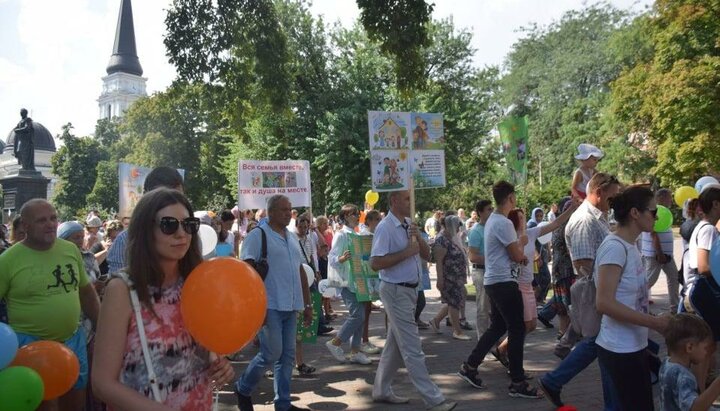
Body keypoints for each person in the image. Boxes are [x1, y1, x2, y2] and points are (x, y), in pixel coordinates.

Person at [92, 188, 234, 410]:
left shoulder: (197, 282)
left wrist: (218, 363)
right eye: (169, 225)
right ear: (146, 230)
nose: (181, 234)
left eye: (189, 225)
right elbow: (102, 384)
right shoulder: (123, 289)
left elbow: (201, 346)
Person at [0, 199, 101, 411]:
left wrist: (101, 326)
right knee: (45, 403)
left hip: (74, 339)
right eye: (41, 220)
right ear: (25, 226)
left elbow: (86, 292)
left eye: (54, 218)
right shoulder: (8, 260)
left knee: (77, 399)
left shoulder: (70, 250)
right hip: (31, 346)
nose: (50, 224)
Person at [539, 173, 621, 409]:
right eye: (612, 197)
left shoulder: (598, 216)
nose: (614, 203)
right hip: (596, 290)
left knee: (602, 343)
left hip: (601, 288)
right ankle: (554, 380)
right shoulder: (585, 220)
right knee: (600, 342)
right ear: (598, 193)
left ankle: (555, 381)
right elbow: (583, 263)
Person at [371, 190, 457, 411]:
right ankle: (433, 399)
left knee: (395, 346)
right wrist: (406, 252)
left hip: (410, 291)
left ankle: (381, 389)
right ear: (394, 201)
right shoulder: (385, 227)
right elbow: (376, 263)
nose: (411, 202)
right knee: (412, 347)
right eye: (407, 198)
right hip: (394, 290)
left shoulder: (409, 224)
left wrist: (418, 238)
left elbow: (428, 255)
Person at [457, 181, 542, 399]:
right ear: (511, 198)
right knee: (517, 329)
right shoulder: (503, 223)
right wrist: (522, 246)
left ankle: (470, 365)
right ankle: (517, 381)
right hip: (504, 282)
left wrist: (518, 250)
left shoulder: (493, 220)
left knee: (497, 327)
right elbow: (516, 255)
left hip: (494, 281)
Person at [234, 194, 313, 411]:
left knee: (287, 357)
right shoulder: (258, 235)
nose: (289, 213)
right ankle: (243, 386)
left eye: (290, 210)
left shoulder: (292, 237)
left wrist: (307, 305)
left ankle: (283, 403)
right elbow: (247, 272)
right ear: (271, 212)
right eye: (283, 210)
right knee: (271, 353)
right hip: (269, 306)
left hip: (292, 305)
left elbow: (301, 272)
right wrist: (255, 308)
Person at [594, 185, 670, 410]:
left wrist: (653, 316)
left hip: (634, 346)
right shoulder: (614, 248)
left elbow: (630, 299)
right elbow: (604, 303)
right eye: (653, 212)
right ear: (635, 213)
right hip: (618, 351)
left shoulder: (631, 245)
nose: (657, 218)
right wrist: (654, 323)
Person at [494, 202, 579, 367]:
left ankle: (502, 349)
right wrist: (521, 244)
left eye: (523, 217)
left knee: (531, 325)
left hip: (528, 285)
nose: (523, 220)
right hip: (516, 285)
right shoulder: (511, 238)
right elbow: (512, 259)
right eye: (520, 218)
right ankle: (508, 355)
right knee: (523, 325)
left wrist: (570, 209)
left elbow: (554, 224)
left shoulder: (531, 233)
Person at [107, 166, 185, 274]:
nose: (174, 204)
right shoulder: (125, 241)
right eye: (165, 199)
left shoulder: (189, 236)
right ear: (147, 198)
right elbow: (117, 283)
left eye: (179, 197)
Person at [325, 204, 373, 365]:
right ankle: (335, 342)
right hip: (347, 282)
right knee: (357, 315)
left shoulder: (356, 233)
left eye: (357, 213)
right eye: (353, 214)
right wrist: (341, 259)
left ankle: (355, 351)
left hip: (359, 280)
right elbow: (331, 257)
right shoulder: (341, 235)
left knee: (361, 316)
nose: (357, 217)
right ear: (345, 217)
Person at [660, 313, 720, 411]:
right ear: (690, 347)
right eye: (705, 348)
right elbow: (695, 408)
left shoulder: (666, 363)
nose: (706, 353)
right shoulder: (684, 377)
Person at [429, 215, 471, 340]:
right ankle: (457, 331)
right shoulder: (441, 240)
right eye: (457, 226)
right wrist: (440, 279)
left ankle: (436, 320)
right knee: (454, 303)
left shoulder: (452, 238)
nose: (458, 229)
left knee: (454, 301)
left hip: (457, 277)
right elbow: (439, 262)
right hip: (449, 277)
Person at [537, 197, 575, 335]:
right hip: (566, 270)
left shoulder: (560, 225)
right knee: (567, 305)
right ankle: (565, 336)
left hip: (560, 270)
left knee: (562, 304)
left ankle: (563, 333)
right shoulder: (567, 226)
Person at [640, 188, 680, 312]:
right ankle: (636, 304)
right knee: (649, 280)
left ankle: (675, 308)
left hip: (666, 255)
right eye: (669, 197)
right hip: (656, 255)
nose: (671, 200)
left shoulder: (664, 213)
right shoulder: (655, 213)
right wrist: (660, 253)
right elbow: (654, 235)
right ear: (661, 198)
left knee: (674, 278)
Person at [468, 199, 493, 339]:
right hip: (481, 271)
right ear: (480, 213)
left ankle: (494, 339)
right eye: (488, 209)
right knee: (483, 308)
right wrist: (494, 258)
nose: (491, 211)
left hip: (493, 271)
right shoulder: (476, 231)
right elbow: (472, 256)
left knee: (494, 309)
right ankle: (482, 341)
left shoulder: (493, 227)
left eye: (491, 208)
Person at [359, 210, 383, 354]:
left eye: (380, 219)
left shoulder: (376, 235)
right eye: (377, 219)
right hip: (367, 275)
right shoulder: (364, 236)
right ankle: (363, 340)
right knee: (364, 310)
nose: (379, 222)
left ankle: (364, 339)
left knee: (368, 309)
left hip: (376, 275)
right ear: (369, 221)